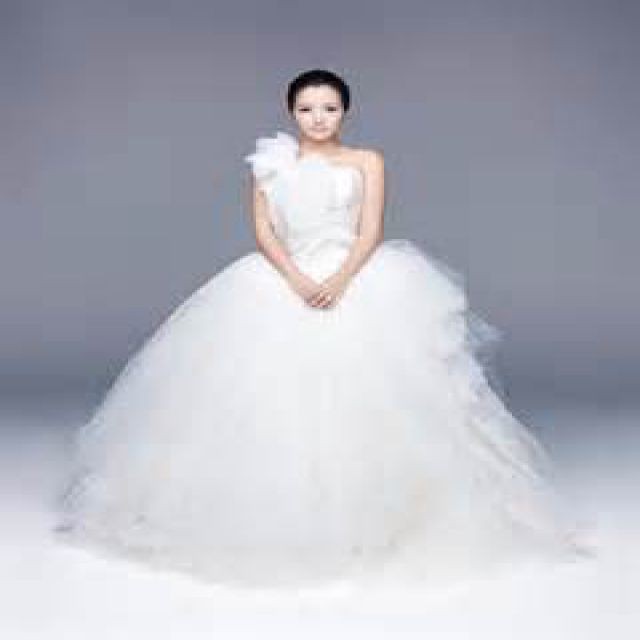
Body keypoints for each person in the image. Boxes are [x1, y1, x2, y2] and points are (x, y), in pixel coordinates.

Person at [53, 68, 595, 592]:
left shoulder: (367, 161)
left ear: (345, 112)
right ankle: (273, 523)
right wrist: (294, 277)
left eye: (329, 108)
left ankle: (381, 520)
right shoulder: (271, 164)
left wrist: (339, 279)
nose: (318, 117)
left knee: (385, 392)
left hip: (356, 273)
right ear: (291, 112)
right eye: (307, 108)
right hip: (281, 277)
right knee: (260, 398)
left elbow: (371, 228)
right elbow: (264, 229)